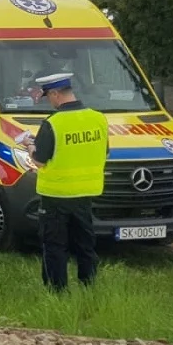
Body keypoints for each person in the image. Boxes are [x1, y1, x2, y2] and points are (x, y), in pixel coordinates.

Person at [28, 72, 108, 291]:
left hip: (56, 196)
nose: (49, 102)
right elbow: (104, 152)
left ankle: (57, 291)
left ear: (55, 94)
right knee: (85, 244)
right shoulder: (98, 119)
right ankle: (88, 285)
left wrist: (30, 146)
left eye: (48, 97)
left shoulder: (53, 123)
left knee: (54, 245)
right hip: (85, 194)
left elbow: (40, 160)